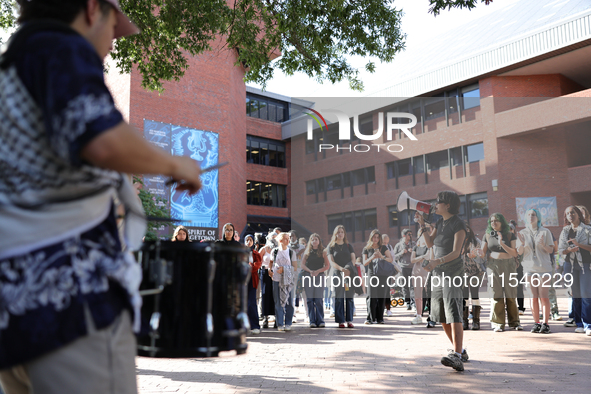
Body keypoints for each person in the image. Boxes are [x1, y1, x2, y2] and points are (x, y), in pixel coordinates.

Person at [0, 1, 203, 392]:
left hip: (13, 314)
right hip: (71, 308)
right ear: (93, 9)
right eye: (114, 26)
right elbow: (104, 140)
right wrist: (176, 164)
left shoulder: (12, 67)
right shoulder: (62, 48)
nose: (113, 43)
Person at [416, 190, 468, 372]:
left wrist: (436, 261)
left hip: (452, 272)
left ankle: (457, 356)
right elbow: (430, 244)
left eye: (438, 202)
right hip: (437, 273)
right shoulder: (438, 222)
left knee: (453, 310)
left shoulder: (458, 224)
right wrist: (422, 225)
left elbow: (456, 252)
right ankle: (459, 350)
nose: (435, 204)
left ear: (448, 205)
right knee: (441, 315)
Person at [515, 209, 555, 334]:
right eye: (528, 215)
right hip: (529, 268)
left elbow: (550, 250)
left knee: (544, 297)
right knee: (533, 297)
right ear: (526, 218)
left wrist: (543, 244)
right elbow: (519, 252)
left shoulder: (545, 231)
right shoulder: (522, 233)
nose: (531, 216)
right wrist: (521, 244)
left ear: (538, 218)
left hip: (544, 269)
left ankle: (546, 324)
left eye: (533, 214)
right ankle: (536, 323)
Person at [481, 213, 521, 332]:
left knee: (511, 294)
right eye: (492, 221)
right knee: (495, 294)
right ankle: (498, 323)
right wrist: (476, 253)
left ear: (502, 222)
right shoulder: (487, 235)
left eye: (496, 220)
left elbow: (514, 253)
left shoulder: (509, 235)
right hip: (493, 266)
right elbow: (482, 253)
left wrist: (501, 243)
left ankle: (514, 322)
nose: (494, 223)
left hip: (509, 265)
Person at [557, 206, 591, 336]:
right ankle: (579, 324)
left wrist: (579, 245)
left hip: (586, 265)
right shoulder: (565, 230)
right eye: (568, 213)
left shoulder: (588, 229)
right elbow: (561, 250)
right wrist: (569, 250)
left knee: (586, 294)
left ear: (578, 214)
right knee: (575, 295)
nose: (570, 215)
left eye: (573, 212)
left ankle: (588, 324)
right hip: (570, 266)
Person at [327, 225, 356, 328]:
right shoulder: (331, 246)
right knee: (339, 297)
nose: (340, 234)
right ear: (335, 234)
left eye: (342, 232)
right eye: (338, 232)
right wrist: (341, 269)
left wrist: (348, 269)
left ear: (344, 234)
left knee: (349, 297)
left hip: (348, 274)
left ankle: (349, 320)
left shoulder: (348, 246)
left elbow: (353, 259)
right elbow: (331, 261)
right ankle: (340, 321)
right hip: (337, 274)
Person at [362, 229, 393, 325]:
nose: (375, 239)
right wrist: (372, 257)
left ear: (379, 238)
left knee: (381, 296)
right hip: (372, 274)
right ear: (371, 237)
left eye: (377, 237)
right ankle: (370, 318)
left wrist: (382, 257)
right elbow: (364, 262)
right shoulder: (366, 248)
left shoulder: (383, 248)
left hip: (382, 274)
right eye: (374, 237)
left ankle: (380, 318)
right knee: (371, 296)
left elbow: (390, 259)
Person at [269, 232, 298, 331]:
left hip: (288, 280)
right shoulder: (275, 251)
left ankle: (288, 323)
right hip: (276, 279)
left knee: (289, 302)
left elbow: (295, 267)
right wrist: (270, 270)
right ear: (280, 240)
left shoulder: (291, 252)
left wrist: (284, 269)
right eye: (286, 238)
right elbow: (271, 262)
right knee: (278, 302)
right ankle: (280, 324)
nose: (288, 240)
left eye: (288, 238)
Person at [300, 233, 330, 328]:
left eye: (316, 239)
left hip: (319, 276)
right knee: (310, 300)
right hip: (308, 276)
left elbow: (327, 266)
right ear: (310, 241)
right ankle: (312, 320)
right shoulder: (307, 252)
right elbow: (302, 265)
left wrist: (317, 271)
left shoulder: (323, 252)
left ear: (319, 241)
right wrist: (310, 271)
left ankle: (320, 320)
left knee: (318, 299)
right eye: (312, 239)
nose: (314, 241)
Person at [460, 226, 485, 330]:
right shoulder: (458, 241)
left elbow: (482, 258)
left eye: (467, 230)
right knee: (464, 297)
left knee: (475, 295)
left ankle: (476, 321)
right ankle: (464, 321)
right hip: (462, 272)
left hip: (475, 272)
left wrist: (474, 256)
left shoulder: (476, 242)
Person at [410, 226, 432, 325]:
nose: (421, 236)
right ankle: (419, 315)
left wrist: (419, 258)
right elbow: (412, 260)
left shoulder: (430, 246)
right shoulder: (416, 247)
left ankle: (432, 316)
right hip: (416, 271)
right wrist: (422, 257)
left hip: (427, 270)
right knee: (418, 295)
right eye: (420, 234)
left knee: (429, 293)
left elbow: (429, 257)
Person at [393, 229, 416, 311]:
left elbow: (418, 254)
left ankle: (413, 303)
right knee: (405, 286)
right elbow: (394, 257)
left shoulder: (413, 244)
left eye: (411, 234)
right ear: (404, 235)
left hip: (412, 267)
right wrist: (401, 253)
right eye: (409, 234)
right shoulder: (398, 245)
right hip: (403, 268)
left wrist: (413, 251)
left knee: (412, 286)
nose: (410, 235)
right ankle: (408, 302)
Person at [245, 235, 262, 334]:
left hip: (252, 280)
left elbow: (257, 265)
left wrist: (248, 265)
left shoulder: (256, 253)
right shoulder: (241, 252)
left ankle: (255, 325)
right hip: (243, 280)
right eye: (247, 240)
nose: (248, 242)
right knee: (244, 303)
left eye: (250, 240)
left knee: (252, 303)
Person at [510, 220, 527, 316]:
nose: (510, 230)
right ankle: (511, 307)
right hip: (507, 267)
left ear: (514, 230)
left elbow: (521, 253)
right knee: (509, 288)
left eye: (511, 229)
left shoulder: (518, 240)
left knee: (519, 287)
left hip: (518, 267)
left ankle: (521, 307)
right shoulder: (505, 240)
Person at [382, 233, 396, 317]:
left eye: (387, 242)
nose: (386, 244)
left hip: (387, 272)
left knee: (387, 291)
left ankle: (388, 309)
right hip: (379, 272)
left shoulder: (390, 247)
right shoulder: (379, 247)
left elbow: (392, 258)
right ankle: (381, 308)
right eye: (384, 242)